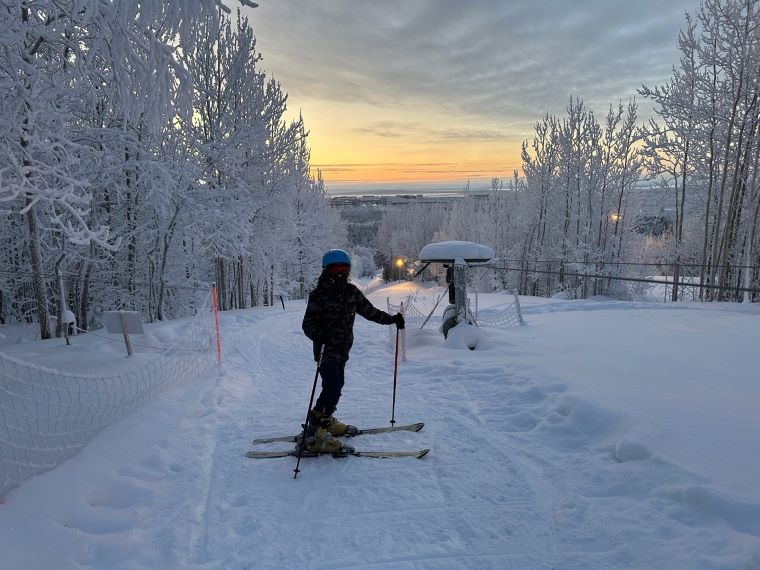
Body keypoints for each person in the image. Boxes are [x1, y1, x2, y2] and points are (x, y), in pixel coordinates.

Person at [300, 249, 405, 454]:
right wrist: (318, 334)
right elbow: (307, 324)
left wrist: (392, 319)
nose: (339, 272)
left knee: (336, 386)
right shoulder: (319, 294)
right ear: (327, 270)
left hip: (343, 350)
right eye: (335, 268)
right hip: (325, 350)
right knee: (332, 388)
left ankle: (326, 421)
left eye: (343, 268)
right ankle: (315, 435)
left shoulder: (351, 292)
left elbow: (369, 311)